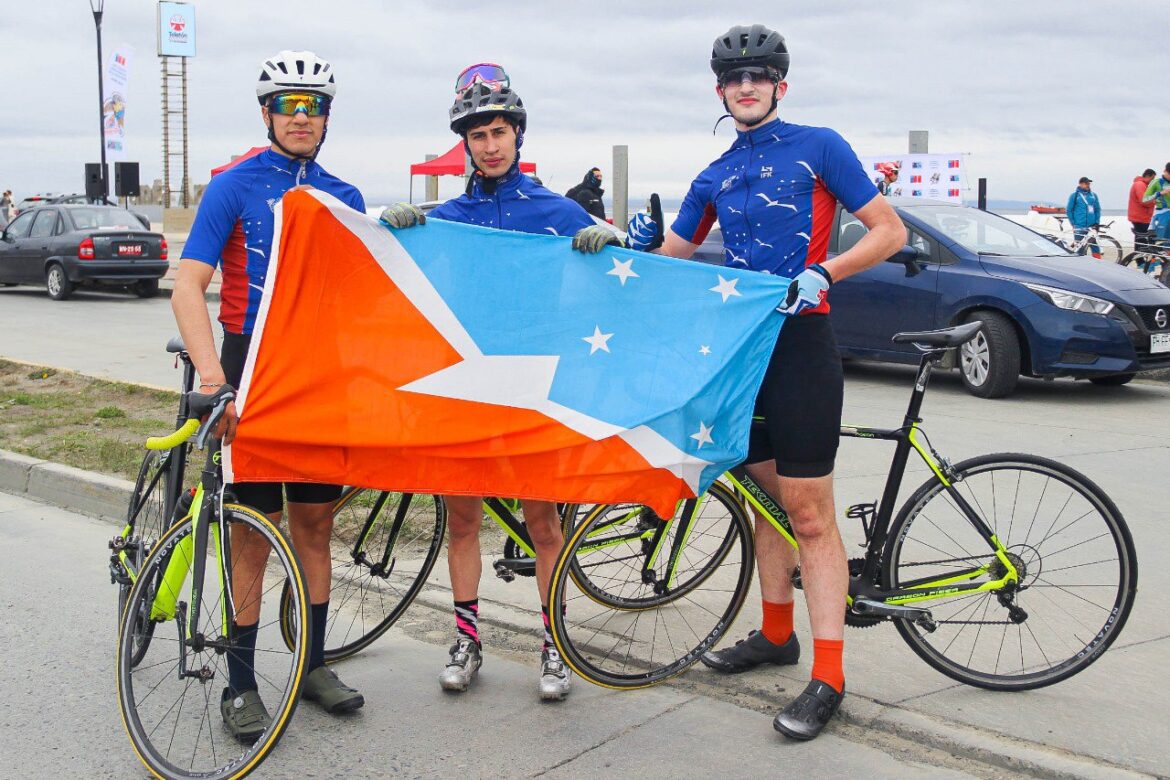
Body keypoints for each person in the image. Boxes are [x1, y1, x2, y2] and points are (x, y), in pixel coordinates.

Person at [626, 23, 903, 740]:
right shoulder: (716, 173)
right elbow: (674, 253)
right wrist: (616, 250)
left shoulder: (820, 147)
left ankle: (829, 674)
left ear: (781, 84)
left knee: (809, 512)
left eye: (760, 75)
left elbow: (888, 231)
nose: (746, 87)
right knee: (763, 499)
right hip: (742, 350)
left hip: (802, 345)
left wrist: (826, 272)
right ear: (720, 90)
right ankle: (775, 634)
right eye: (733, 78)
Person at [379, 83, 616, 701]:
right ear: (465, 144)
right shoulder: (449, 219)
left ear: (518, 137)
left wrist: (611, 241)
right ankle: (467, 639)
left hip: (533, 382)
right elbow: (389, 264)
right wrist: (394, 229)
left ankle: (554, 647)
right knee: (463, 520)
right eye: (477, 136)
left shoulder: (555, 210)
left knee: (542, 524)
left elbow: (632, 266)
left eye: (498, 133)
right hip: (469, 383)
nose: (489, 146)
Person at [171, 49, 367, 742]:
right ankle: (242, 683)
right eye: (290, 104)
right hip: (248, 369)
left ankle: (311, 667)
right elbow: (186, 285)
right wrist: (213, 379)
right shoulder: (233, 184)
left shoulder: (347, 196)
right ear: (267, 112)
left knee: (315, 528)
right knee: (251, 535)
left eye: (315, 106)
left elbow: (357, 299)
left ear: (327, 117)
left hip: (317, 375)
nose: (302, 117)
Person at [1066, 176, 1102, 258]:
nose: (1088, 185)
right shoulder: (1074, 196)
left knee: (1095, 246)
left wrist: (1097, 222)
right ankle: (1081, 264)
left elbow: (1097, 209)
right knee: (1079, 247)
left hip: (1091, 226)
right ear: (1080, 184)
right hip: (1079, 226)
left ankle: (1098, 263)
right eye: (1086, 183)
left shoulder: (1093, 195)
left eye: (1089, 183)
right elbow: (1069, 210)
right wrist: (1073, 223)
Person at [1142, 163, 1170, 242]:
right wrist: (1159, 193)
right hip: (1161, 214)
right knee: (1161, 242)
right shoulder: (1156, 182)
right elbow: (1145, 199)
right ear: (1165, 171)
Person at [1128, 169, 1156, 245]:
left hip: (1140, 217)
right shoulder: (1140, 185)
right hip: (1140, 218)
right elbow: (1144, 201)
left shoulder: (1141, 185)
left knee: (1140, 239)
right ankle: (1139, 256)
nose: (1152, 181)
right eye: (1152, 178)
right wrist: (1154, 201)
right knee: (1142, 240)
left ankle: (1139, 256)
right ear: (1147, 176)